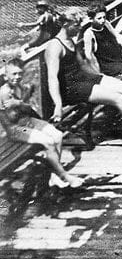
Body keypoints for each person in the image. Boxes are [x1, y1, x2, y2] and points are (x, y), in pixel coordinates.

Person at [44, 10, 122, 132]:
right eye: (76, 26)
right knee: (119, 98)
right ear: (66, 24)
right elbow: (52, 78)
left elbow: (82, 65)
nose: (79, 29)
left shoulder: (70, 41)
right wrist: (58, 105)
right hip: (70, 88)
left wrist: (100, 77)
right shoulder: (54, 46)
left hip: (82, 78)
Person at [1, 59, 85, 188]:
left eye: (20, 74)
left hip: (27, 121)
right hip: (16, 129)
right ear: (6, 76)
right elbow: (12, 117)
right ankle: (63, 175)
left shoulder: (21, 88)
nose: (17, 77)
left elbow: (26, 108)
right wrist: (22, 104)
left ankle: (54, 175)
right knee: (49, 141)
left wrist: (19, 103)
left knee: (57, 135)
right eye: (13, 74)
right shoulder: (5, 93)